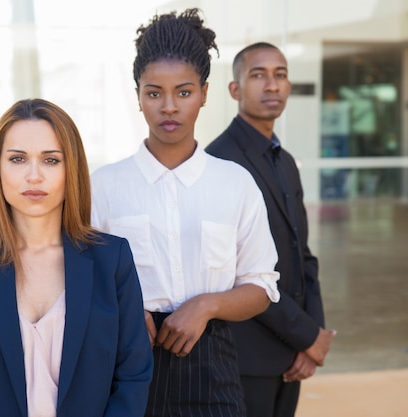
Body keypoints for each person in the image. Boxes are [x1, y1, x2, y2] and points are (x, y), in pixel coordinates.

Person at [91, 9, 280, 417]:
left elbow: (262, 285)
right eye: (154, 92)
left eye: (184, 91)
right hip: (123, 365)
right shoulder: (103, 186)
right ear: (137, 95)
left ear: (205, 93)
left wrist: (207, 306)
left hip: (213, 368)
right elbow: (80, 277)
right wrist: (124, 310)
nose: (169, 107)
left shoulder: (236, 183)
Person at [0, 98, 153, 417]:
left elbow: (132, 378)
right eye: (18, 159)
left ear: (70, 168)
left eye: (51, 160)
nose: (34, 176)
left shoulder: (112, 260)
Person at [205, 42, 336, 417]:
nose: (272, 85)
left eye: (280, 75)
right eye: (258, 75)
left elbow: (303, 255)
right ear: (235, 89)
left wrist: (313, 336)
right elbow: (235, 271)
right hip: (245, 357)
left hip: (292, 354)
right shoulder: (220, 164)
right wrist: (307, 336)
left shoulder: (286, 161)